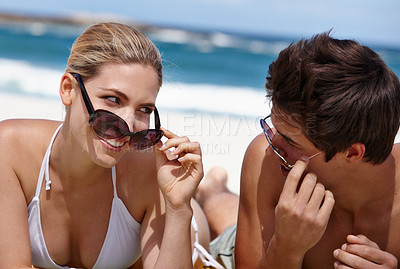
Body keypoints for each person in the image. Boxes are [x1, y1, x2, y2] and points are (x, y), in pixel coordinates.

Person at [0, 22, 211, 269]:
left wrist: (178, 207)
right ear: (68, 89)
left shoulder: (150, 171)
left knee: (217, 205)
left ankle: (212, 190)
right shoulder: (10, 150)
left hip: (186, 235)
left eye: (144, 109)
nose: (129, 125)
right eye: (113, 99)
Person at [197, 32, 400, 269]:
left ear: (353, 153)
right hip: (263, 252)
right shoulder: (265, 160)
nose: (271, 147)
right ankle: (212, 189)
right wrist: (285, 248)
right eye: (273, 127)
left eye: (291, 142)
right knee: (219, 212)